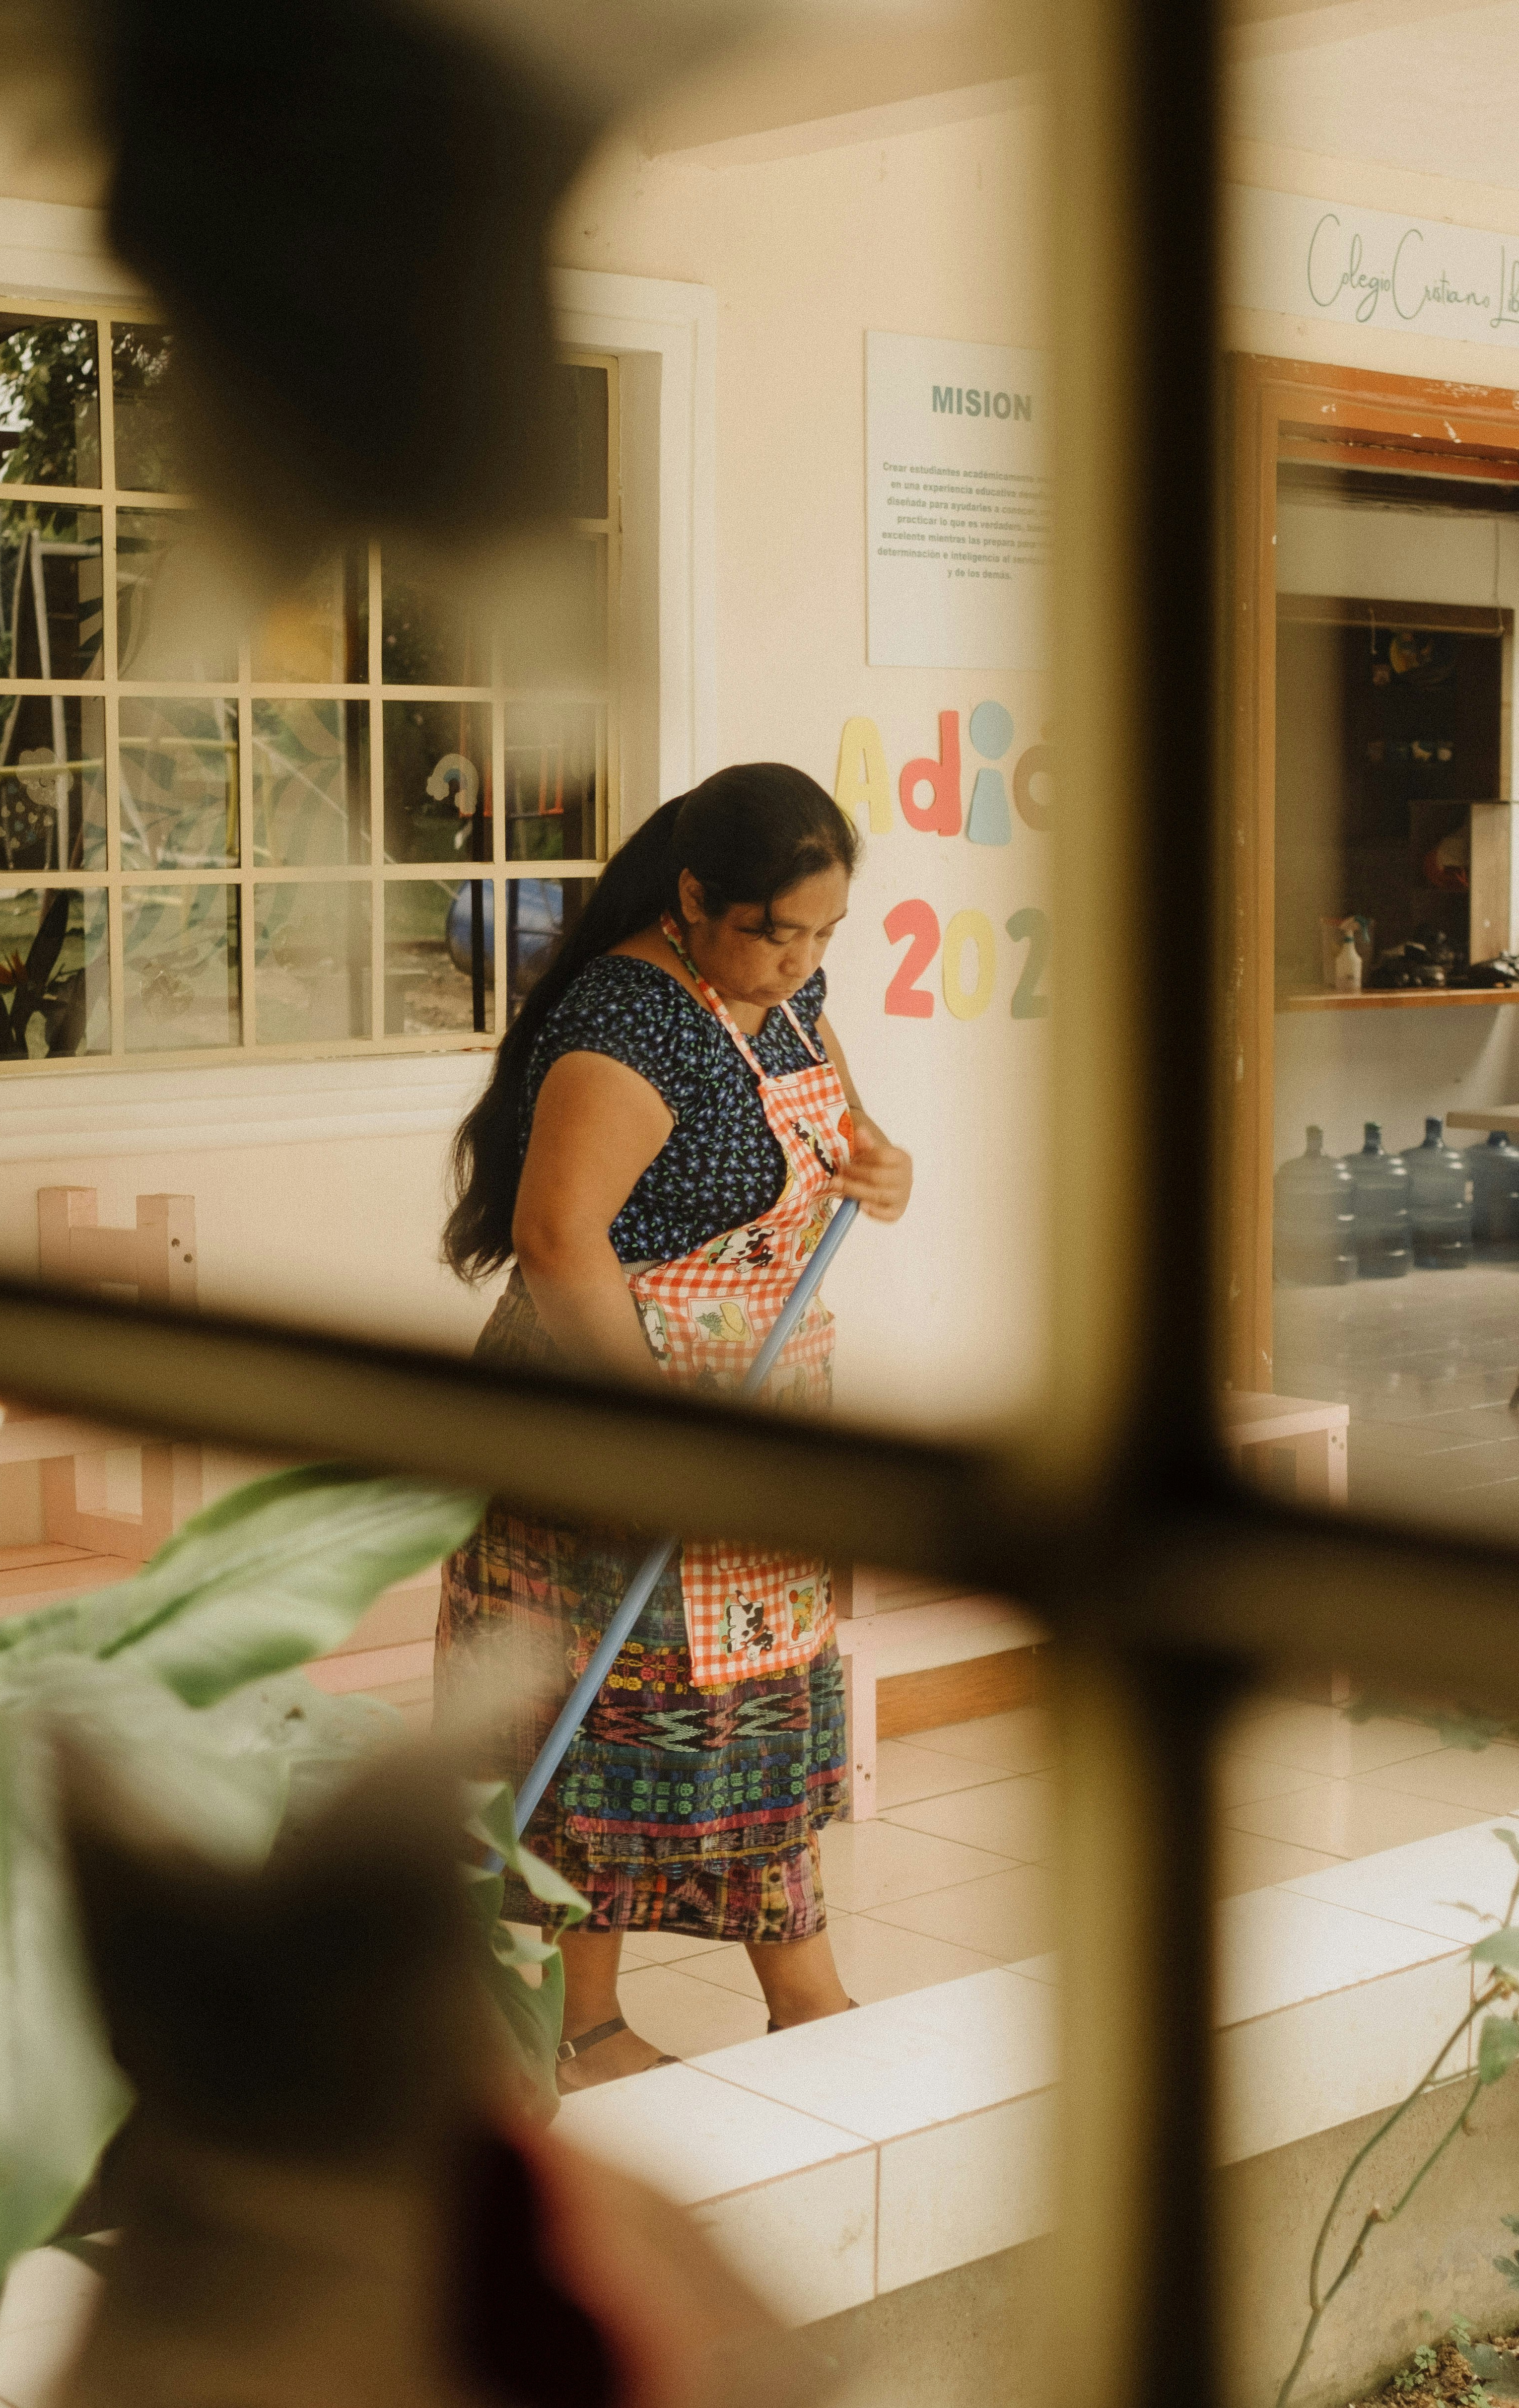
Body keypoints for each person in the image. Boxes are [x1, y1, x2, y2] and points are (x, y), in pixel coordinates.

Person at [433, 762, 916, 2090]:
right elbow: (556, 1238)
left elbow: (848, 1138)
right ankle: (575, 2027)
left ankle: (801, 1989)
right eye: (776, 930)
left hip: (752, 1402)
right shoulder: (625, 1018)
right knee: (595, 1719)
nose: (800, 961)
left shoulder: (785, 997)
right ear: (695, 897)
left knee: (756, 1699)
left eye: (822, 933)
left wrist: (887, 1171)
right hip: (604, 1402)